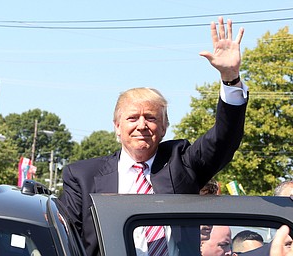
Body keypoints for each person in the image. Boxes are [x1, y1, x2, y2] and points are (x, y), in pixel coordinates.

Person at [60, 16, 248, 256]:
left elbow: (224, 139)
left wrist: (230, 79)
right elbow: (69, 243)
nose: (142, 125)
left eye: (150, 118)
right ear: (117, 126)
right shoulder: (83, 177)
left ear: (165, 126)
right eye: (132, 118)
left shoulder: (182, 163)